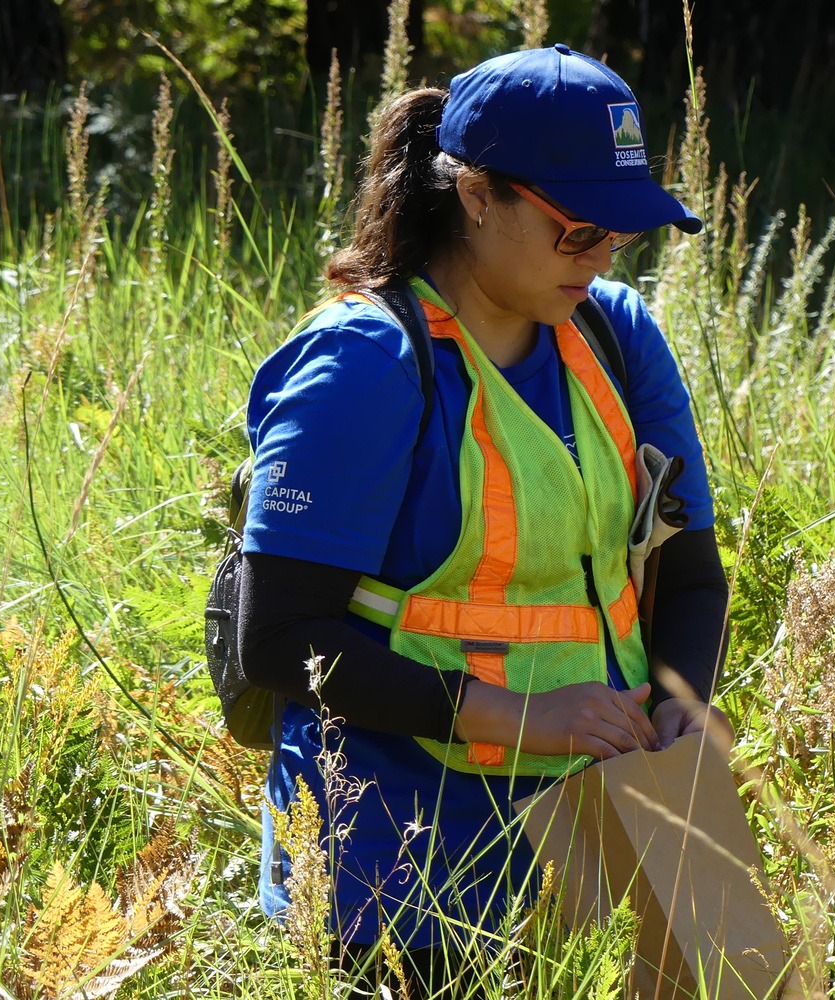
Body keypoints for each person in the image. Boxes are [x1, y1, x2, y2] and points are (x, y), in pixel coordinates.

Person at [237, 43, 730, 994]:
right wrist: (524, 718)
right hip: (397, 876)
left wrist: (681, 707)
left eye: (619, 233)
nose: (600, 258)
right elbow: (281, 638)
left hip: (606, 835)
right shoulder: (365, 366)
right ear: (475, 194)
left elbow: (695, 575)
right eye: (576, 229)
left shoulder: (619, 335)